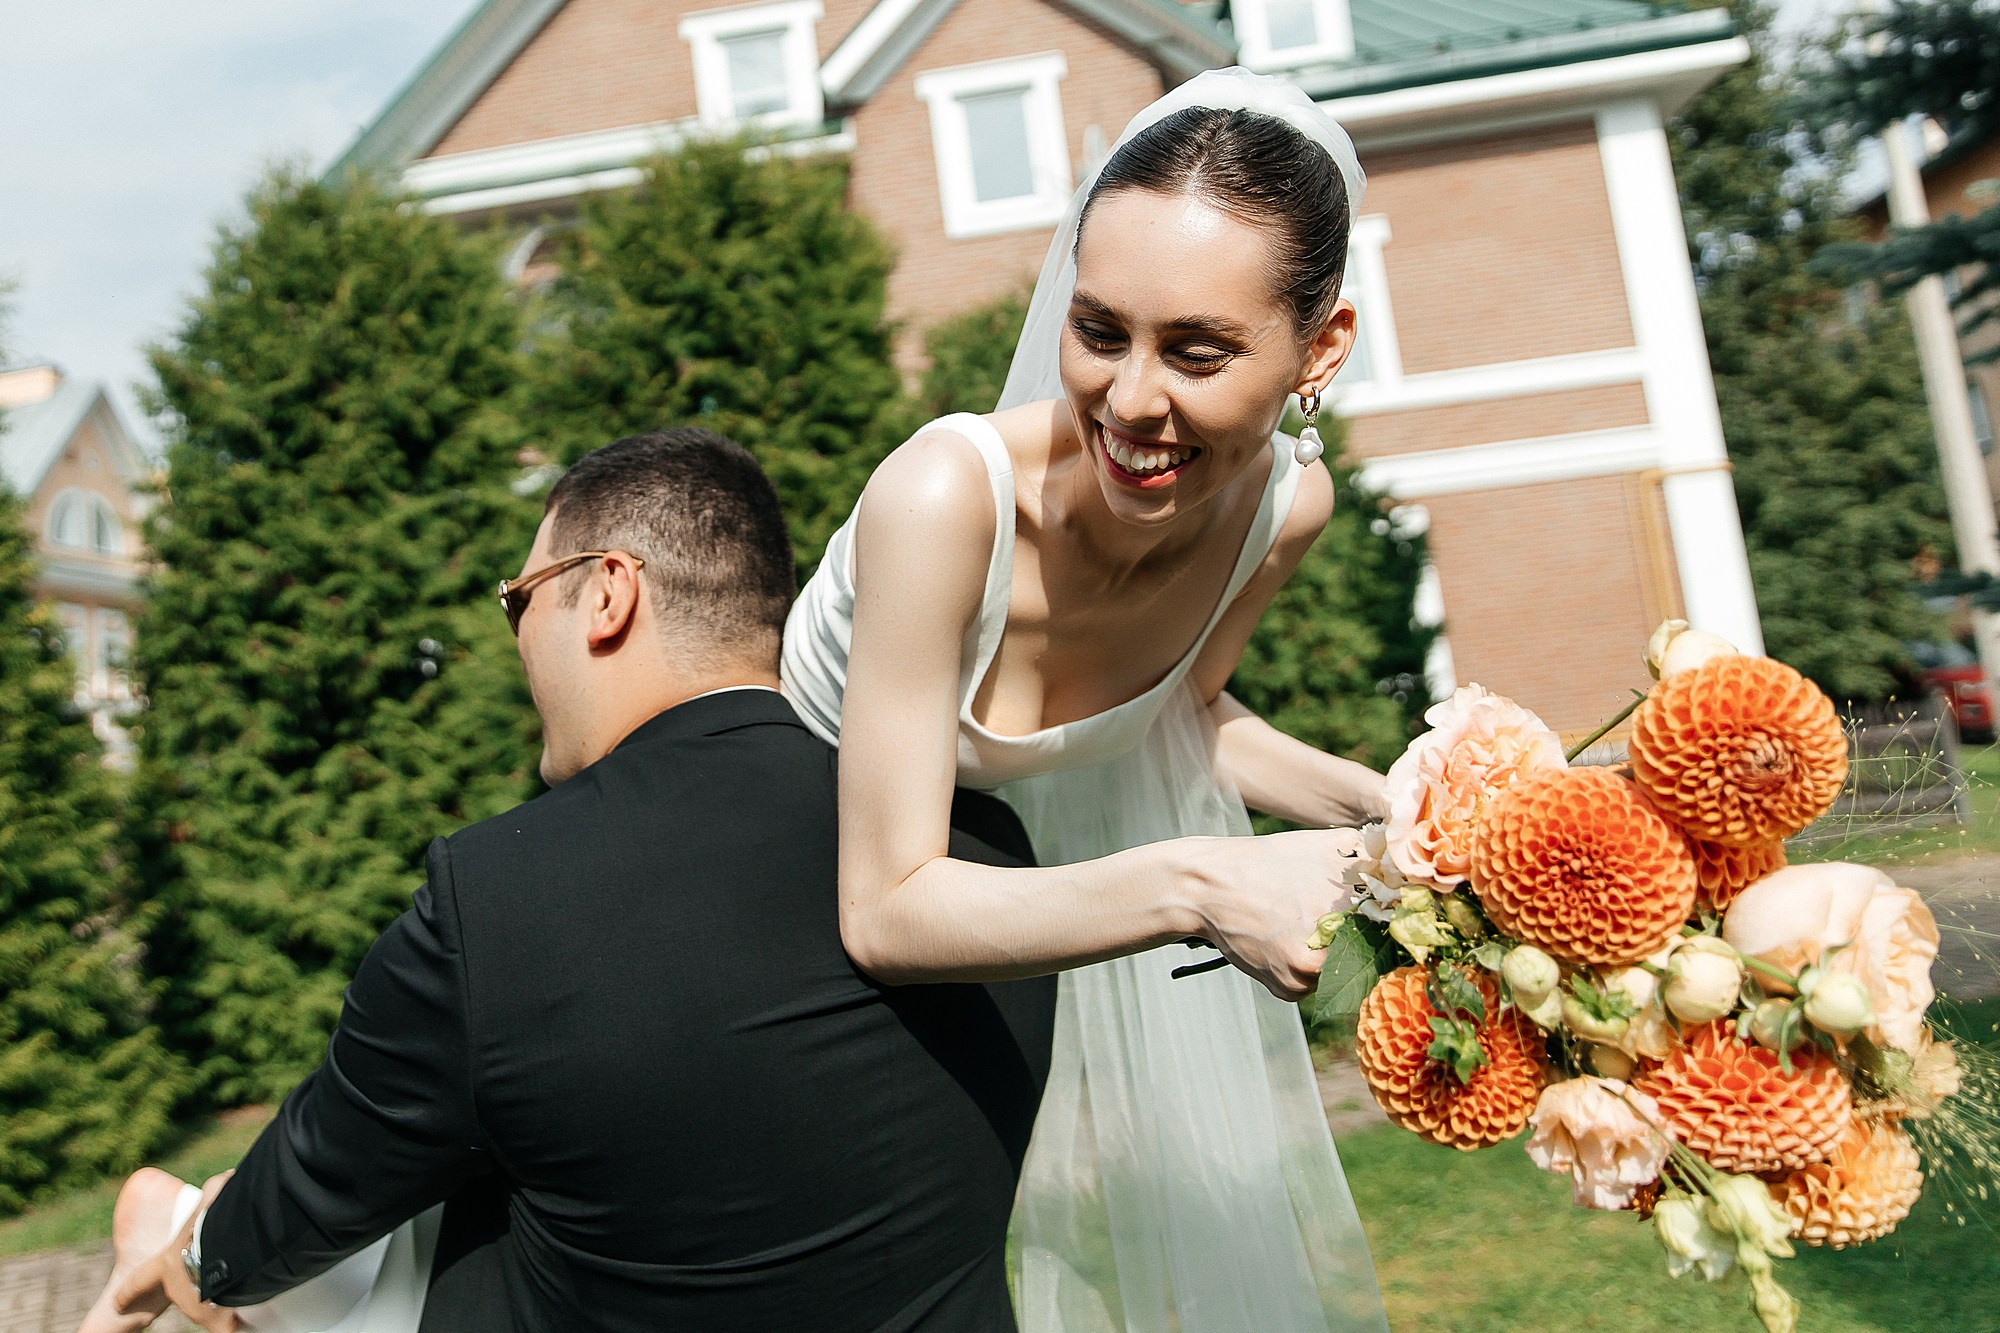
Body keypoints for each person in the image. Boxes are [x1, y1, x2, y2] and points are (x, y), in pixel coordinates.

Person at [82, 429, 1056, 1333]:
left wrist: (192, 1253)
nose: (514, 637)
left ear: (605, 594)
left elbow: (307, 1191)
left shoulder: (500, 897)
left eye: (519, 598)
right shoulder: (983, 852)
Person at [781, 67, 1391, 1330]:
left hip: (1007, 922)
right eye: (1099, 330)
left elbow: (1187, 715)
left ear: (1318, 346)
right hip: (781, 898)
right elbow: (883, 907)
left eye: (1198, 351)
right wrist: (1207, 886)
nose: (1129, 400)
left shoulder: (1286, 509)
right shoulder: (942, 500)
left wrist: (1408, 811)